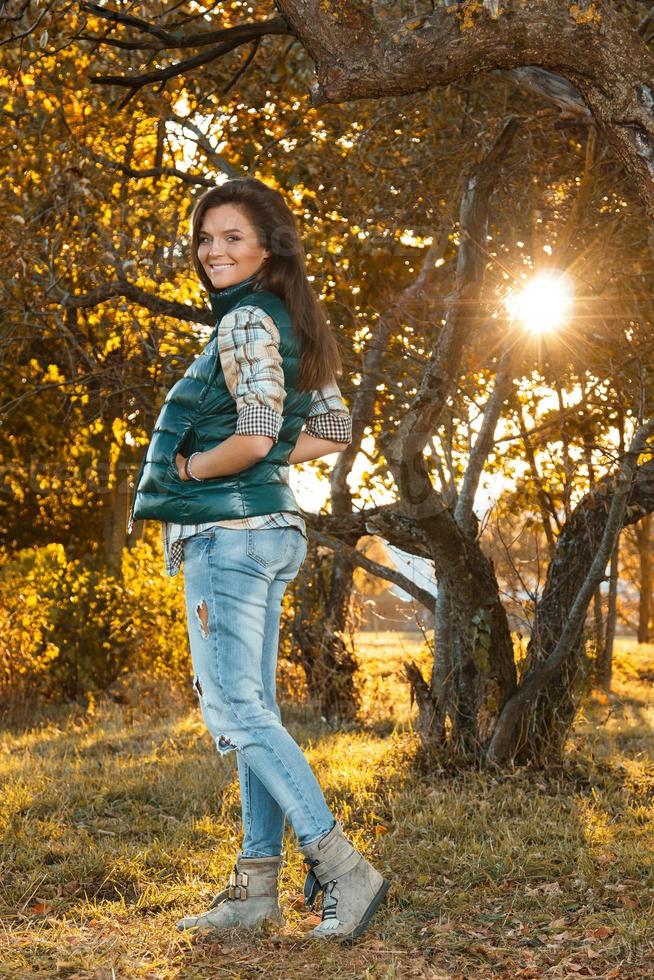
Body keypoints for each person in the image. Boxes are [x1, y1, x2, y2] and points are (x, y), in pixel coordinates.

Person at [127, 177, 389, 941]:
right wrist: (258, 458)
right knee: (255, 716)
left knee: (236, 712)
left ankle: (341, 866)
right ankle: (253, 892)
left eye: (232, 237)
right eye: (206, 238)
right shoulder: (295, 321)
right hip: (274, 531)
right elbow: (332, 428)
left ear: (270, 245)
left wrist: (191, 470)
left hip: (228, 539)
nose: (214, 251)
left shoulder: (244, 323)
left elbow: (250, 436)